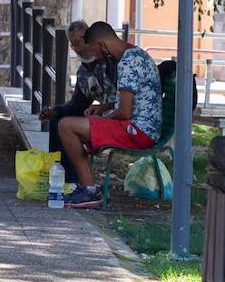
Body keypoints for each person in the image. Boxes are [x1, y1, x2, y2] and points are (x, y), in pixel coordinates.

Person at [56, 21, 162, 208]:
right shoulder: (135, 55)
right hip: (142, 127)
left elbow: (124, 112)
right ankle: (88, 188)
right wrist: (104, 107)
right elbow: (128, 102)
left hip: (138, 131)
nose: (97, 57)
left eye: (96, 53)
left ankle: (89, 191)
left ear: (102, 45)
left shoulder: (127, 63)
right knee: (76, 124)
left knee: (66, 126)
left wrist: (100, 120)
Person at [38, 20, 118, 184]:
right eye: (75, 44)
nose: (81, 46)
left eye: (83, 40)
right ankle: (64, 179)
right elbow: (78, 105)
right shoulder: (83, 72)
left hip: (120, 118)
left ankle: (78, 183)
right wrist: (56, 111)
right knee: (57, 121)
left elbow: (127, 100)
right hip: (103, 117)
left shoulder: (112, 63)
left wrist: (104, 107)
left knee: (66, 126)